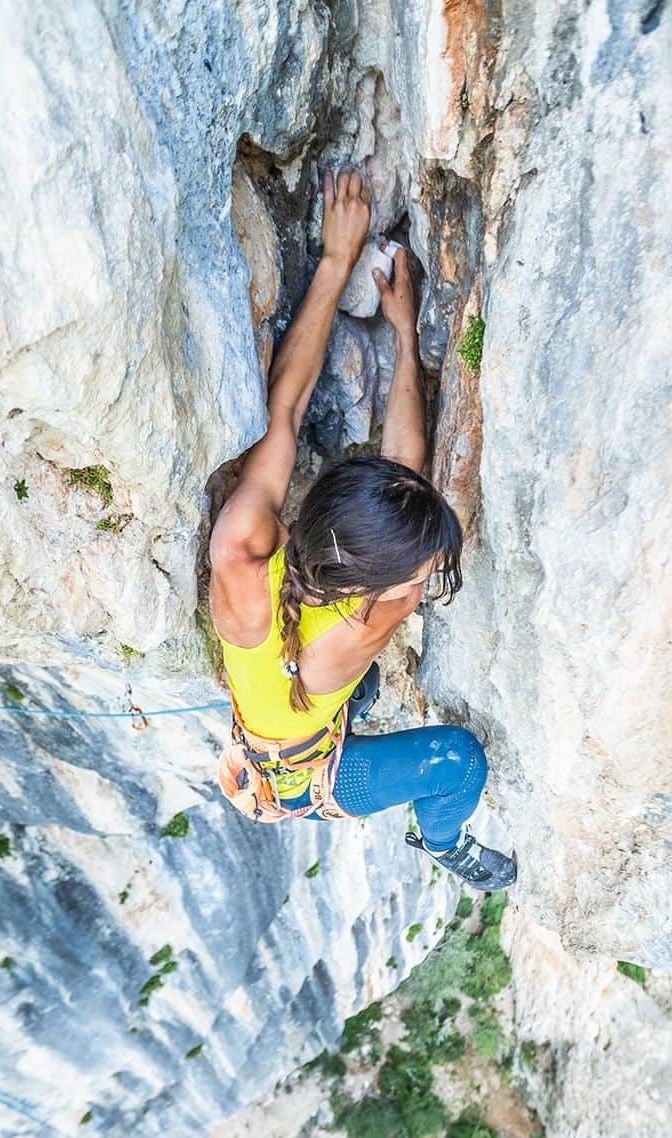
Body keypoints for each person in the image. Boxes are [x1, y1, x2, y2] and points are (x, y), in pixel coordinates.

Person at [209, 165, 516, 891]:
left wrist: (336, 259)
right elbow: (404, 461)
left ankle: (362, 706)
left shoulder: (244, 548)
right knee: (458, 764)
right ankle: (441, 841)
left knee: (363, 689)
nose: (421, 579)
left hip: (291, 717)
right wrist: (405, 335)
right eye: (414, 572)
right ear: (374, 587)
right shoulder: (370, 622)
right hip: (311, 778)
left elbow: (285, 407)